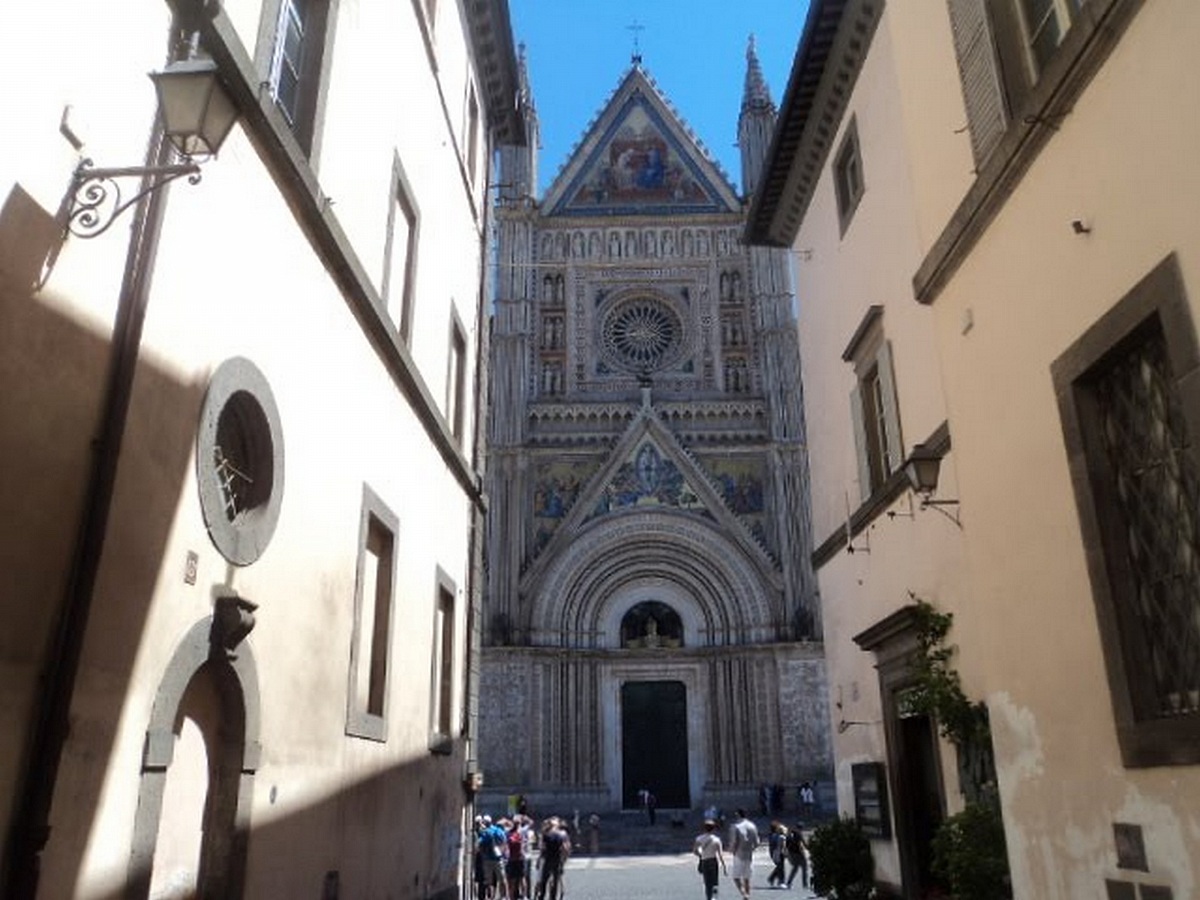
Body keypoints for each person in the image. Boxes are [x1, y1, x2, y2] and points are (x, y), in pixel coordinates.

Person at [535, 817, 571, 900]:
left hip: (547, 858)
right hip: (557, 859)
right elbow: (565, 848)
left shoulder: (546, 834)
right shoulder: (561, 834)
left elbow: (541, 847)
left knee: (544, 880)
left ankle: (541, 896)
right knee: (555, 880)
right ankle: (553, 897)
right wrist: (564, 859)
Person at [728, 808, 760, 899]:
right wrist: (751, 848)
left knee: (736, 877)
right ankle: (748, 895)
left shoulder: (735, 826)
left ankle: (744, 894)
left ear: (738, 815)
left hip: (738, 853)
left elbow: (734, 842)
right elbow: (757, 842)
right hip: (749, 854)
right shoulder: (752, 826)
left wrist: (731, 850)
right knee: (747, 878)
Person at [693, 818, 728, 900]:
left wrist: (700, 855)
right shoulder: (717, 840)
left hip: (705, 860)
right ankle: (714, 898)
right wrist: (724, 866)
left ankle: (708, 898)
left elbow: (695, 851)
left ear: (704, 828)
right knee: (715, 882)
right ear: (714, 828)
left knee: (707, 883)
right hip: (713, 861)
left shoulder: (699, 838)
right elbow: (720, 854)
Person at [784, 823, 809, 891]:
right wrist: (809, 848)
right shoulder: (799, 834)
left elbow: (786, 844)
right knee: (804, 868)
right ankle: (805, 884)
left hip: (792, 853)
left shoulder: (790, 834)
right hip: (799, 853)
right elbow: (803, 844)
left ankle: (789, 882)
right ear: (801, 828)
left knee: (795, 868)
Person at [766, 821, 786, 888]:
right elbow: (779, 845)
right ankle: (780, 881)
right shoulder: (776, 836)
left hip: (774, 852)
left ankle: (772, 878)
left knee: (779, 867)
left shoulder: (772, 835)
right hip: (778, 852)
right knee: (780, 867)